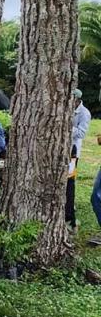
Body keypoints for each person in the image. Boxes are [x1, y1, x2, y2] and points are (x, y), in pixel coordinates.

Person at [66, 89, 91, 231]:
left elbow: (81, 133)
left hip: (73, 153)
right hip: (61, 149)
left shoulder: (84, 113)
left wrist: (67, 126)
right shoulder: (66, 109)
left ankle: (70, 218)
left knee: (70, 183)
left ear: (76, 100)